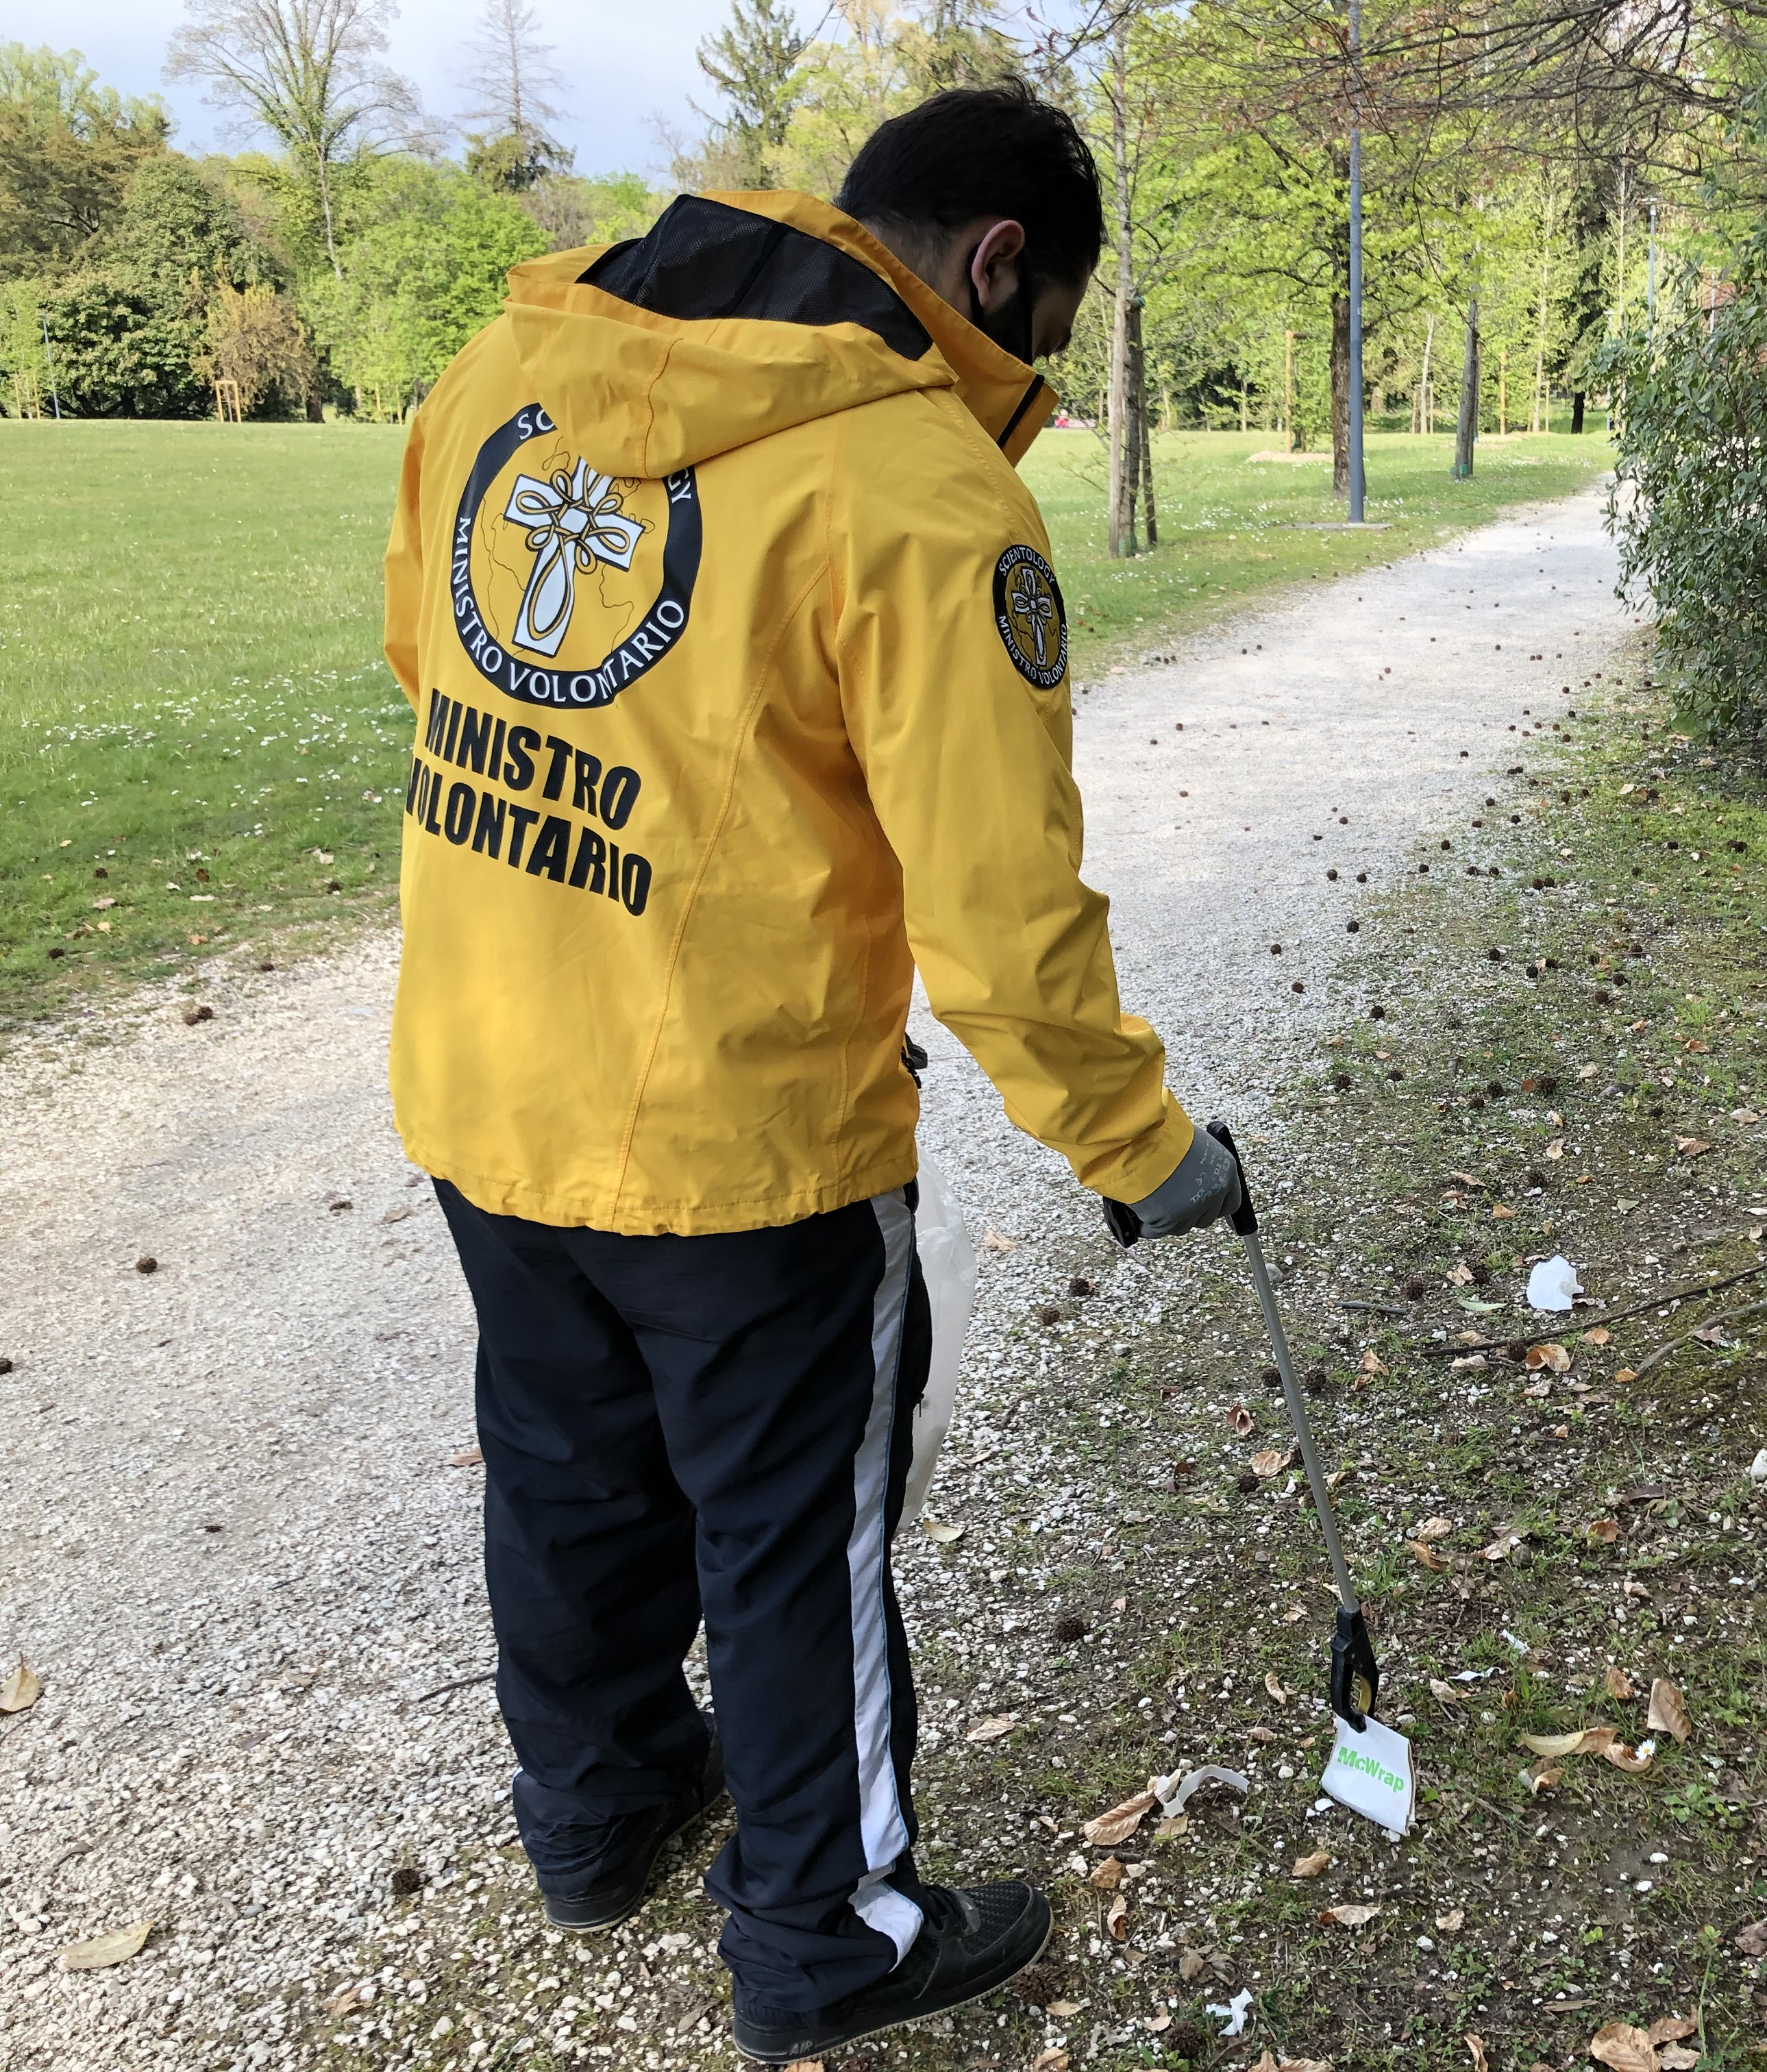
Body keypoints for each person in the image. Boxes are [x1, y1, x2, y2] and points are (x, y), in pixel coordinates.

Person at [377, 82, 1242, 2066]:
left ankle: (595, 1816)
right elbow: (1003, 918)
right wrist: (1137, 1144)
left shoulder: (506, 369)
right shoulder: (922, 495)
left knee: (567, 1469)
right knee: (792, 1536)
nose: (1024, 378)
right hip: (749, 1144)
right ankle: (829, 1932)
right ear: (1000, 267)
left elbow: (434, 676)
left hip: (489, 1082)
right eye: (1038, 332)